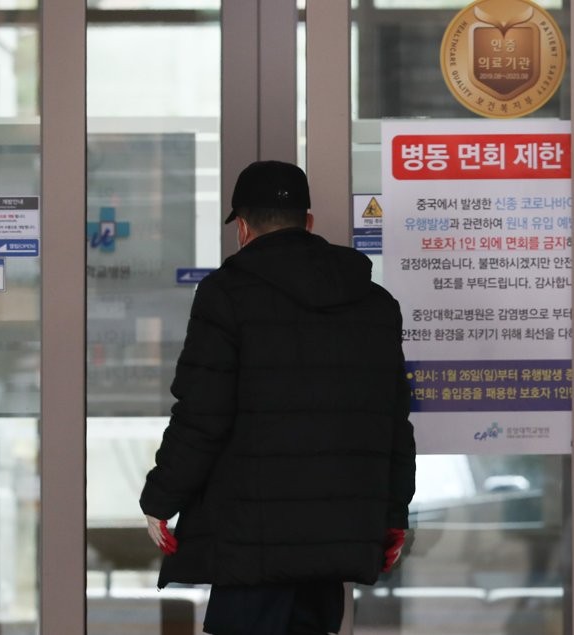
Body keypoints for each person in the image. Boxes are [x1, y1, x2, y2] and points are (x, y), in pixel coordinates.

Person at [140, 160, 416, 635]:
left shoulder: (225, 296)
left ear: (243, 228)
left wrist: (162, 497)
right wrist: (394, 513)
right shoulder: (375, 304)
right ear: (308, 222)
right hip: (333, 536)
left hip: (250, 538)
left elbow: (202, 413)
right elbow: (393, 422)